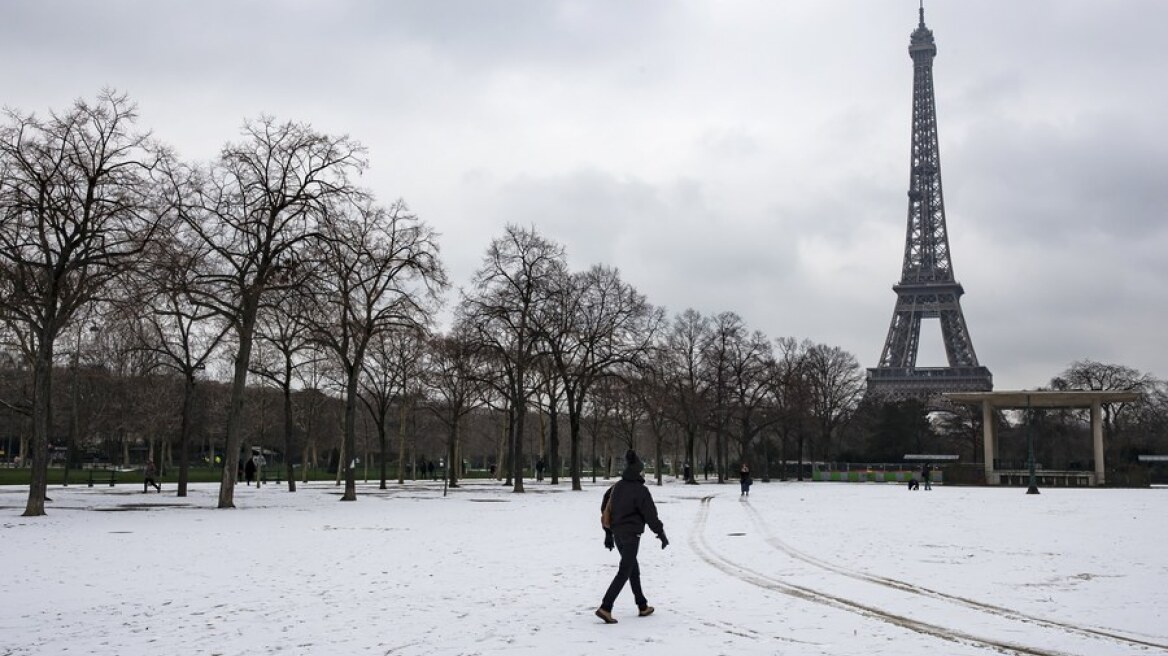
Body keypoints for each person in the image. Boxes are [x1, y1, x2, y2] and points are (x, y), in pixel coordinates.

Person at [596, 449, 668, 624]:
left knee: (632, 569)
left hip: (618, 534)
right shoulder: (640, 490)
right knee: (624, 571)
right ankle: (606, 607)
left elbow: (605, 509)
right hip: (631, 535)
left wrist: (608, 535)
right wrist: (661, 533)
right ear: (637, 471)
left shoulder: (615, 487)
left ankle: (642, 606)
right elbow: (651, 516)